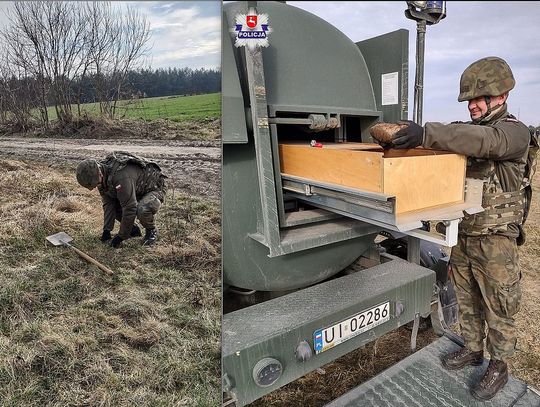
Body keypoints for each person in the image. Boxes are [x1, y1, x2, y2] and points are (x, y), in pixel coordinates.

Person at [389, 56, 532, 400]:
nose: (471, 106)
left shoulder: (514, 132)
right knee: (466, 296)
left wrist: (428, 132)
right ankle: (472, 348)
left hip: (496, 241)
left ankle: (498, 365)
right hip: (464, 233)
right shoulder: (469, 131)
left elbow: (486, 142)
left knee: (498, 303)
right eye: (468, 100)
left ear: (501, 95)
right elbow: (460, 139)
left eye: (478, 99)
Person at [76, 151, 167, 248]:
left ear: (99, 174)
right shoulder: (102, 177)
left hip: (154, 187)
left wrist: (121, 236)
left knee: (142, 209)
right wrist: (107, 231)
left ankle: (151, 230)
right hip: (136, 189)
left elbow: (130, 207)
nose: (94, 187)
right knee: (116, 207)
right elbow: (108, 204)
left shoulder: (120, 176)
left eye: (95, 183)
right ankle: (133, 229)